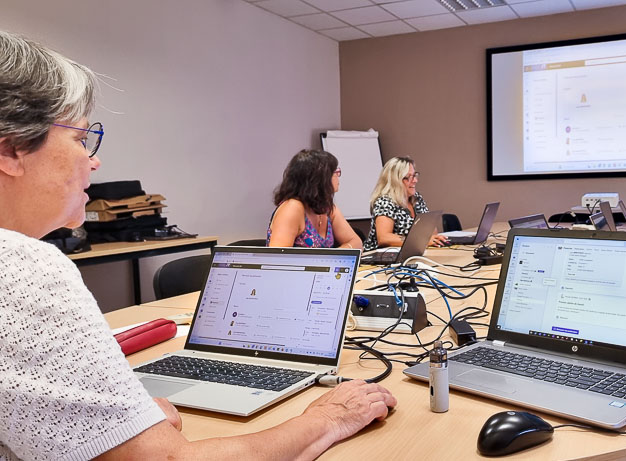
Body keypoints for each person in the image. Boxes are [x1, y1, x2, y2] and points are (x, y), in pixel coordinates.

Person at [0, 30, 395, 460]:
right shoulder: (23, 267)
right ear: (13, 149)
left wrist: (117, 421)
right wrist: (329, 418)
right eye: (80, 139)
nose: (94, 160)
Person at [267, 149, 362, 249]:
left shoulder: (327, 208)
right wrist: (329, 259)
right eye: (335, 172)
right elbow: (278, 258)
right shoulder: (292, 208)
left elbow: (356, 243)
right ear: (321, 178)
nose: (338, 175)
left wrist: (331, 259)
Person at [363, 156, 448, 251]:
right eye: (408, 177)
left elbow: (432, 231)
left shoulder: (416, 198)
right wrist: (420, 241)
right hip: (380, 259)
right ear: (394, 180)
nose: (415, 180)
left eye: (414, 175)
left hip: (413, 252)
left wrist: (435, 239)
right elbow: (384, 238)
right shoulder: (385, 202)